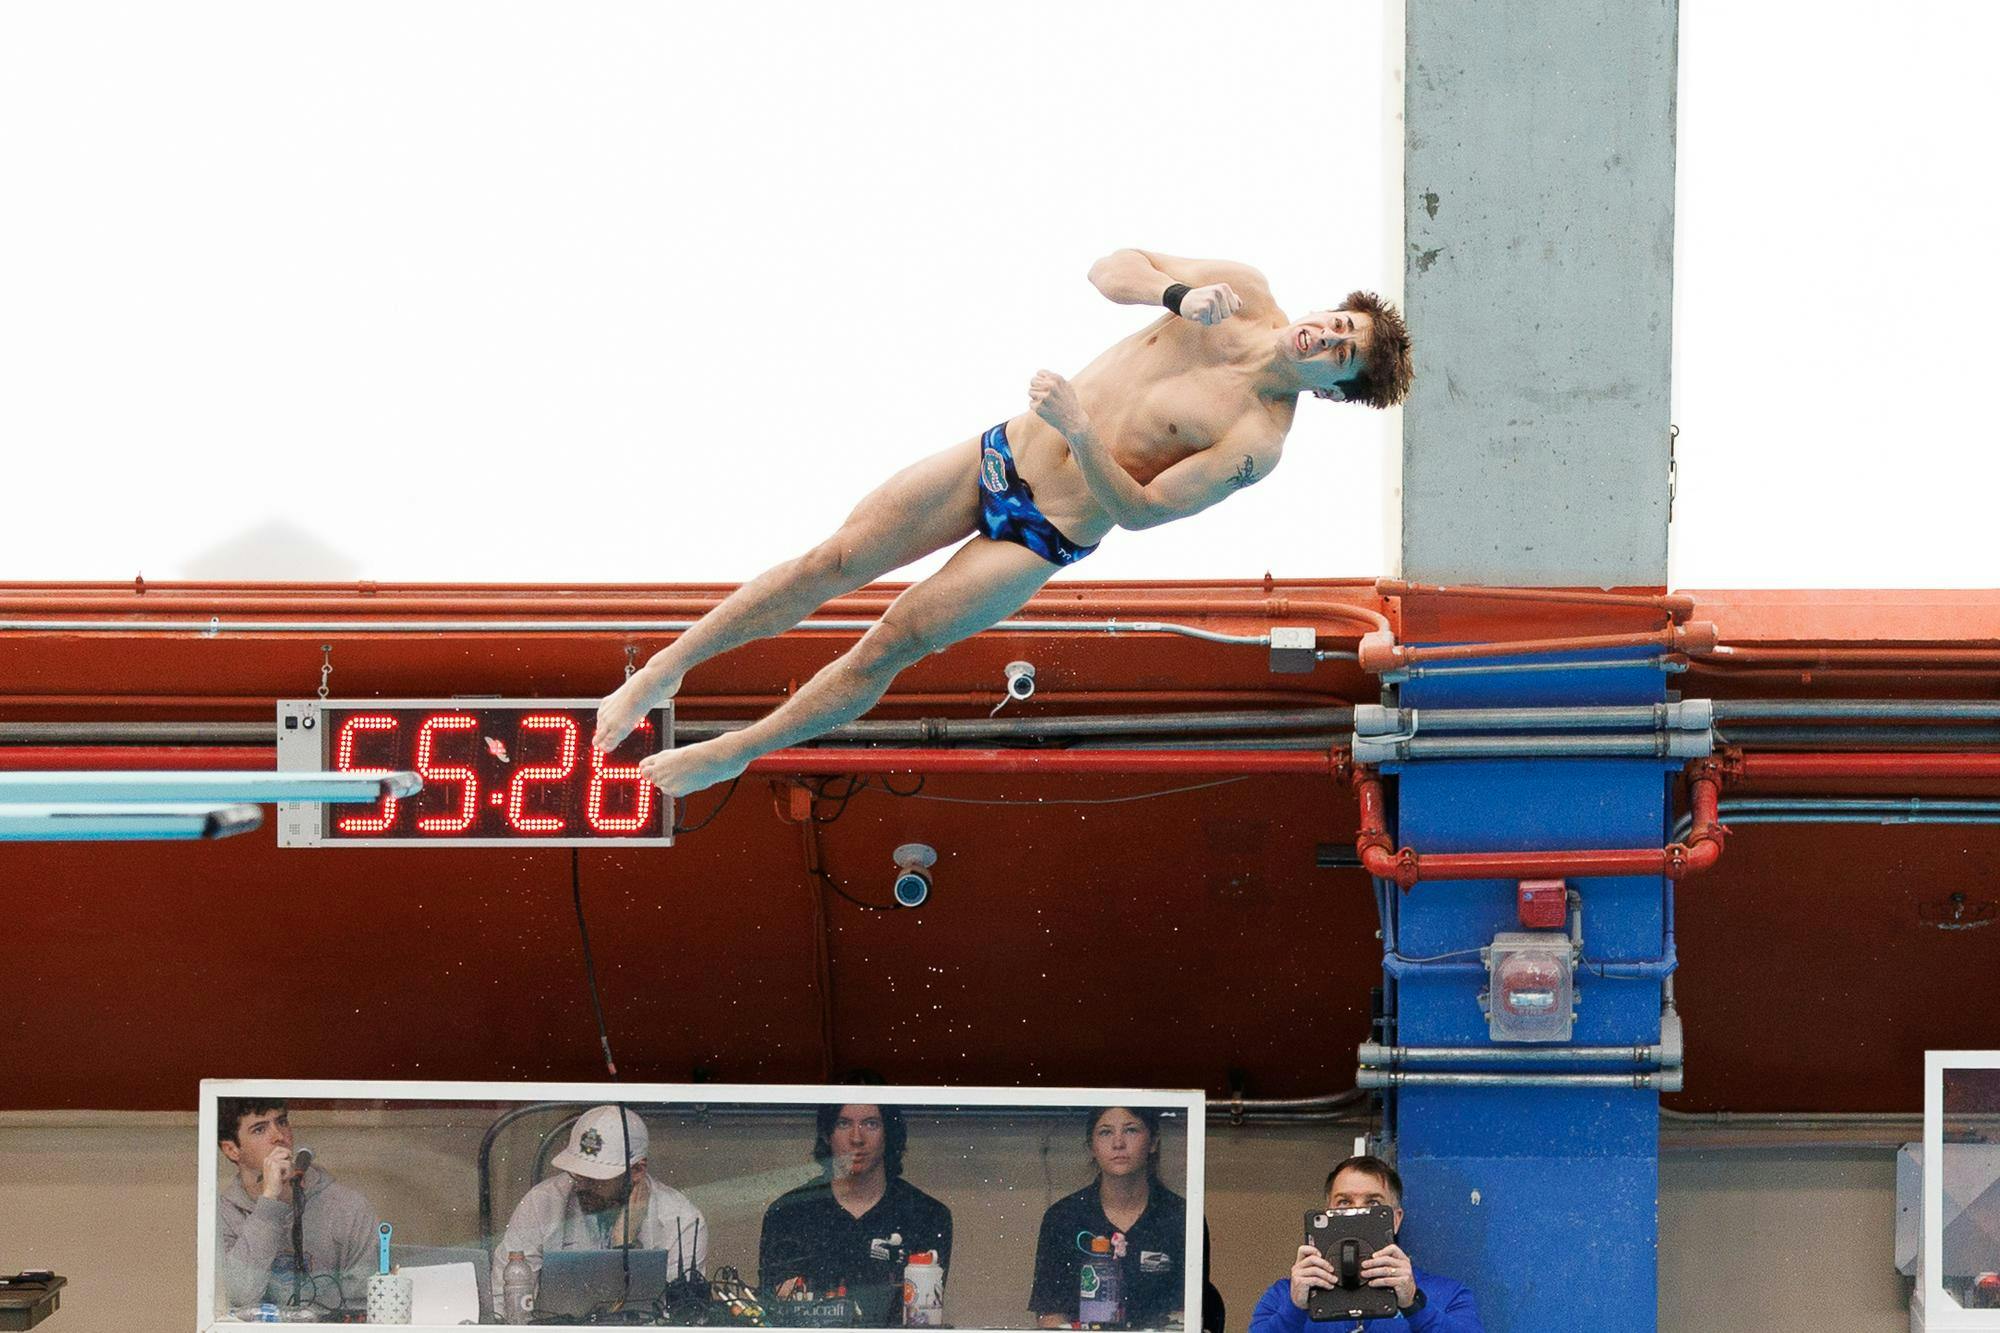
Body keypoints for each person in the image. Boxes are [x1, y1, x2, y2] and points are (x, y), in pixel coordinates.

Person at [594, 250, 1413, 796]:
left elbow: (1145, 513)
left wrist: (1085, 434)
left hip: (1040, 535)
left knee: (892, 642)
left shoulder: (1257, 440)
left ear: (1333, 389)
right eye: (1342, 324)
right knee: (832, 559)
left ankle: (738, 749)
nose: (1329, 338)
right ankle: (662, 669)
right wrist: (1176, 294)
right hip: (999, 453)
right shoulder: (1236, 291)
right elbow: (1108, 268)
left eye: (1343, 354)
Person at [493, 1105, 708, 1317]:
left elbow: (680, 1317)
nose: (582, 1186)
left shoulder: (681, 1219)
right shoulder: (542, 1202)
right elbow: (503, 1304)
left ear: (637, 1171)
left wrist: (624, 1243)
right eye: (577, 1174)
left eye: (596, 1178)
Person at [758, 1102, 953, 1324]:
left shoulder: (926, 1215)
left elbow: (922, 1318)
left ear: (888, 1132)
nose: (857, 1138)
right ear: (827, 1134)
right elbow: (774, 1315)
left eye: (870, 1124)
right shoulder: (788, 1214)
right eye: (843, 1123)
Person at [1029, 1106, 1219, 1331]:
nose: (1118, 1143)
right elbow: (1050, 1314)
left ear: (1153, 1142)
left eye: (1130, 1130)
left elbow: (1187, 1314)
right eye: (1105, 1132)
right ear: (1092, 1147)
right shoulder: (1063, 1217)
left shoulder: (1182, 1217)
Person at [1247, 1156, 1481, 1333]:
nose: (1356, 1211)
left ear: (1396, 1219)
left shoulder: (1449, 1295)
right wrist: (1295, 1308)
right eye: (1344, 1202)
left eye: (1373, 1202)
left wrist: (1413, 1304)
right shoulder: (1284, 1295)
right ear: (1326, 1212)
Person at [215, 1097, 378, 1315]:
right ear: (232, 1150)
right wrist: (270, 1201)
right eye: (260, 1129)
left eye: (281, 1122)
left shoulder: (348, 1207)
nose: (278, 1136)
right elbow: (238, 1296)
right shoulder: (222, 1213)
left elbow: (364, 1305)